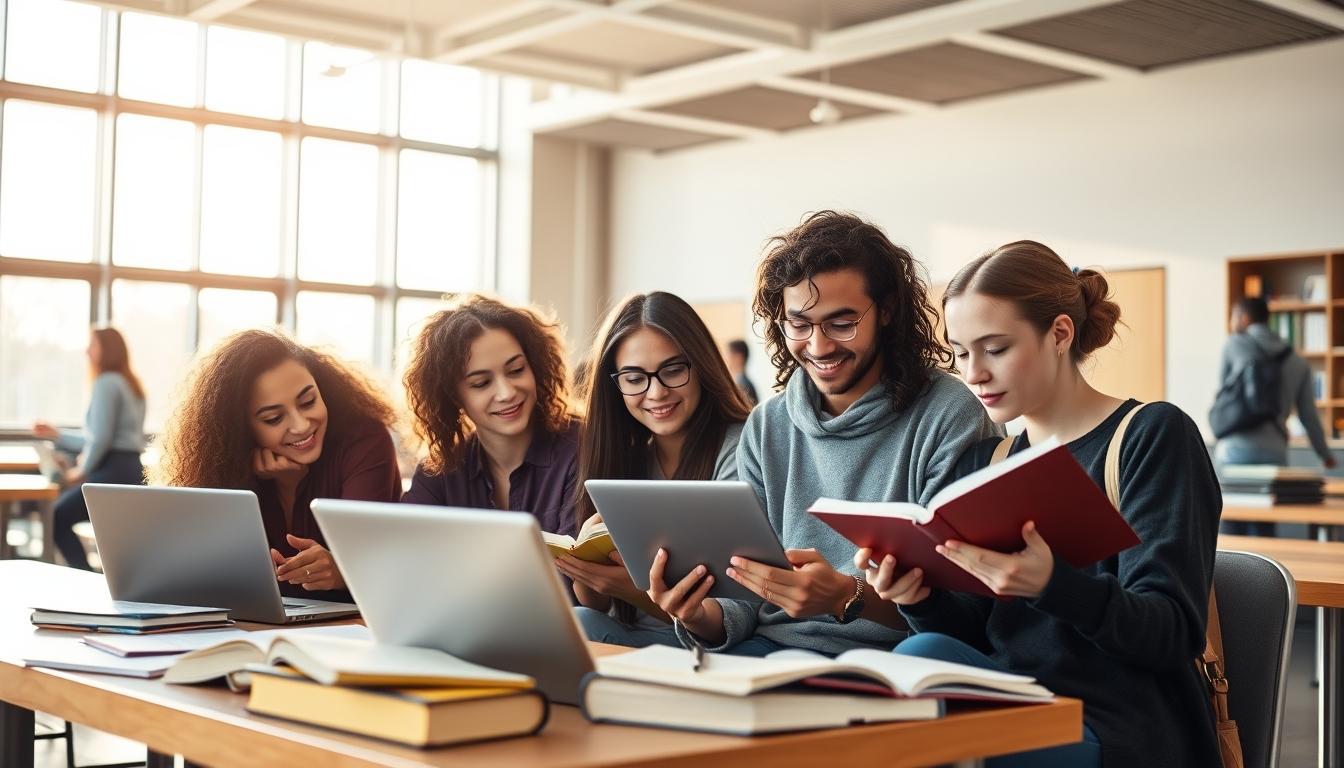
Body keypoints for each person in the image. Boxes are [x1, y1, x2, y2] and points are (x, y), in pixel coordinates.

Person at [858, 240, 1220, 767]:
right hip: (1015, 699)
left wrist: (1054, 586)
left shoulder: (1152, 436)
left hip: (1116, 724)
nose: (974, 373)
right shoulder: (985, 461)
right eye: (960, 353)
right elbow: (975, 635)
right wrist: (917, 599)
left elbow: (1171, 632)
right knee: (913, 661)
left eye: (996, 348)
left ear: (1059, 334)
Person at [649, 210, 998, 657]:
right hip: (770, 651)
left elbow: (959, 611)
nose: (818, 346)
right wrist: (697, 614)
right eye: (799, 324)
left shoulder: (947, 414)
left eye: (841, 323)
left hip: (894, 659)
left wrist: (843, 598)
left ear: (887, 310)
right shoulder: (768, 424)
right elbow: (740, 599)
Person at [152, 329, 400, 602]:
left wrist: (341, 570)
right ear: (241, 428)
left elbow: (367, 559)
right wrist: (285, 484)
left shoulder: (364, 440)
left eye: (308, 401)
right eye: (273, 418)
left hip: (350, 627)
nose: (301, 425)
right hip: (252, 627)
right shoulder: (226, 468)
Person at [563, 292, 752, 647]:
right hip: (634, 638)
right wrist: (588, 577)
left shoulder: (740, 447)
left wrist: (634, 588)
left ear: (702, 366)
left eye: (673, 370)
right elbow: (599, 611)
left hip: (709, 643)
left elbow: (738, 612)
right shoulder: (626, 457)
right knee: (579, 620)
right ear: (614, 384)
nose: (657, 392)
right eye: (635, 378)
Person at [401, 294, 581, 538]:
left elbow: (575, 571)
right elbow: (408, 553)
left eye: (516, 370)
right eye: (481, 383)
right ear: (453, 396)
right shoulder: (440, 471)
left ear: (535, 368)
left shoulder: (581, 448)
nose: (506, 393)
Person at [1215, 296, 1335, 536]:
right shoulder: (1296, 360)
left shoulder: (1233, 345)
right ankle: (1265, 573)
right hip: (1274, 453)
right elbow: (1309, 416)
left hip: (1235, 451)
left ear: (1244, 318)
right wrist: (1324, 454)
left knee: (1231, 528)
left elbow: (1223, 397)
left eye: (1233, 316)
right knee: (1264, 526)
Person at [33, 327, 146, 570]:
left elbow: (101, 440)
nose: (87, 350)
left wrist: (80, 471)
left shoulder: (106, 383)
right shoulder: (132, 384)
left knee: (56, 516)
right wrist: (57, 435)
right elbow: (99, 438)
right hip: (131, 469)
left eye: (92, 345)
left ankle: (85, 578)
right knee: (115, 537)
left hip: (112, 471)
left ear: (107, 350)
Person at [725, 339, 758, 406]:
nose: (726, 359)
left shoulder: (742, 385)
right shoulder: (742, 382)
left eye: (728, 355)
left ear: (739, 357)